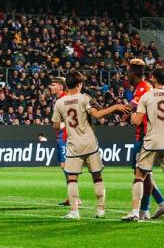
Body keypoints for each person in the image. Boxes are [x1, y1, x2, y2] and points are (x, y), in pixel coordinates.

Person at [51, 71, 128, 219]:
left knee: (72, 179)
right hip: (90, 144)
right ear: (79, 84)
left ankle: (74, 212)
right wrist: (115, 107)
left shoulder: (60, 103)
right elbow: (98, 115)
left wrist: (66, 123)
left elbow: (55, 126)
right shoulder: (85, 98)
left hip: (73, 145)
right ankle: (100, 210)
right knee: (97, 177)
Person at [122, 66, 164, 224]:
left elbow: (137, 121)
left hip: (151, 141)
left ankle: (136, 212)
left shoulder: (146, 96)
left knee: (139, 176)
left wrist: (131, 116)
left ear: (154, 79)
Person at [125, 59, 164, 220]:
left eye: (128, 71)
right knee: (144, 174)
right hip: (143, 135)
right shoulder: (141, 88)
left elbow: (131, 108)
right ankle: (160, 203)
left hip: (145, 135)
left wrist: (106, 109)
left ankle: (143, 210)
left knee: (141, 174)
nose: (126, 75)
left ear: (133, 72)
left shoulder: (144, 88)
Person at [48, 77, 73, 207]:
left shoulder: (65, 100)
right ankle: (72, 196)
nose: (50, 87)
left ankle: (74, 197)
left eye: (53, 85)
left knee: (67, 167)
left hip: (66, 137)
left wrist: (62, 125)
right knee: (65, 167)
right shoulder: (59, 100)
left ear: (61, 87)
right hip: (61, 137)